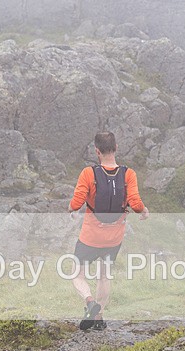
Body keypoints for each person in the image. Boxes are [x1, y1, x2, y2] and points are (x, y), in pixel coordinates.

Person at [68, 131, 149, 331]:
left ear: (97, 151)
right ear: (116, 148)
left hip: (91, 236)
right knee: (103, 276)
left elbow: (76, 202)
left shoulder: (89, 173)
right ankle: (99, 319)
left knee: (77, 275)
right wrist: (144, 211)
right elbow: (136, 203)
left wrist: (71, 210)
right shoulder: (128, 174)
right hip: (114, 237)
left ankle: (89, 302)